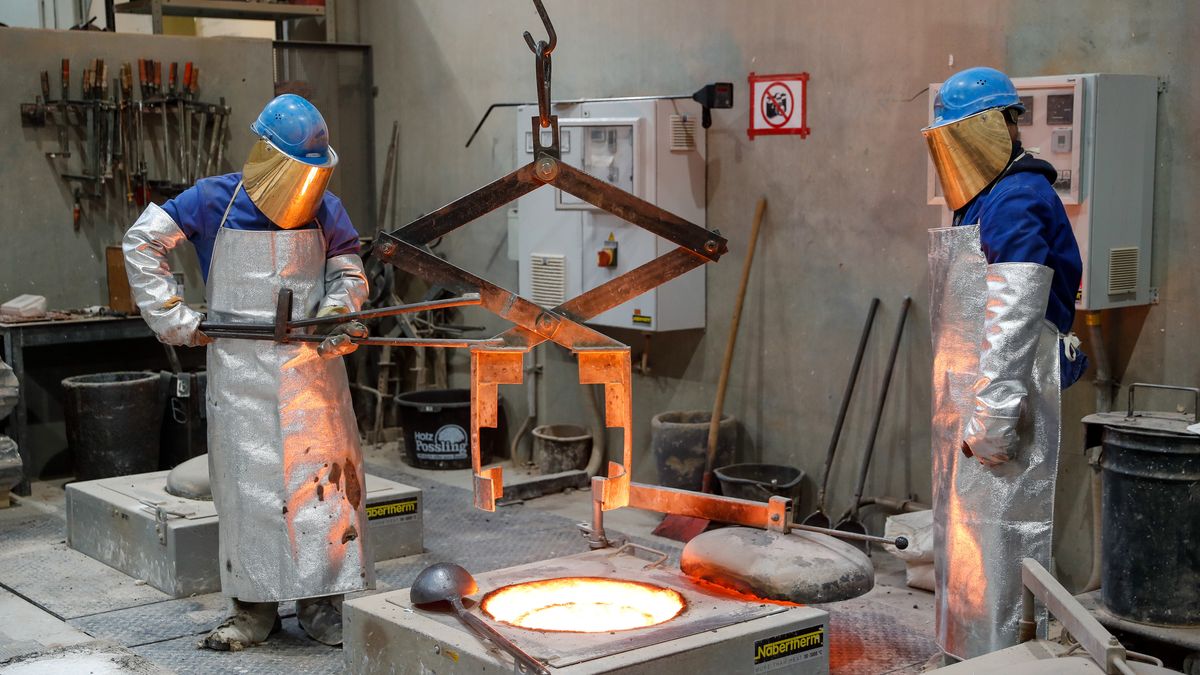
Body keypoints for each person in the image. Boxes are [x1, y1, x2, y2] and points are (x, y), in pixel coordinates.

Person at [123, 94, 372, 650]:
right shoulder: (213, 199)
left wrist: (337, 310)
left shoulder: (327, 209)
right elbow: (142, 240)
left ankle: (322, 605)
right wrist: (175, 318)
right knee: (248, 495)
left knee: (322, 495)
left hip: (312, 374)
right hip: (239, 375)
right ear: (268, 157)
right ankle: (252, 610)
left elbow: (348, 272)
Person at [922, 66, 1087, 660]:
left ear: (991, 128)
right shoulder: (988, 198)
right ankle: (970, 656)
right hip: (973, 398)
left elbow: (1013, 320)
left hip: (1006, 400)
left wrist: (992, 420)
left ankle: (1006, 661)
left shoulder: (1017, 198)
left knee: (1001, 548)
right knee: (969, 546)